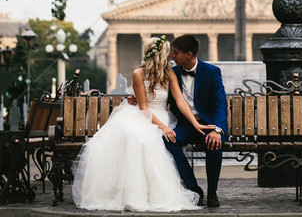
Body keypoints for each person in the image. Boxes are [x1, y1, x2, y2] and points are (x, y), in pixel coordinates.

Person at [72, 36, 215, 212]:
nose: (170, 55)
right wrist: (162, 127)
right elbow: (144, 108)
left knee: (158, 140)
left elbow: (180, 101)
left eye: (173, 53)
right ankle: (133, 193)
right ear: (159, 54)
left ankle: (162, 192)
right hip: (144, 115)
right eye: (167, 52)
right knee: (136, 137)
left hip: (163, 115)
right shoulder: (138, 74)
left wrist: (195, 123)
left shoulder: (169, 73)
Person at [154, 34, 228, 208]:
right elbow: (153, 90)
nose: (172, 56)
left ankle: (212, 192)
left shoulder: (212, 72)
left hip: (208, 124)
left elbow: (220, 105)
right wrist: (135, 98)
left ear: (188, 54)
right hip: (186, 125)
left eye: (176, 53)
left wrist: (218, 130)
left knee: (214, 144)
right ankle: (193, 188)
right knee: (167, 139)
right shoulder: (172, 73)